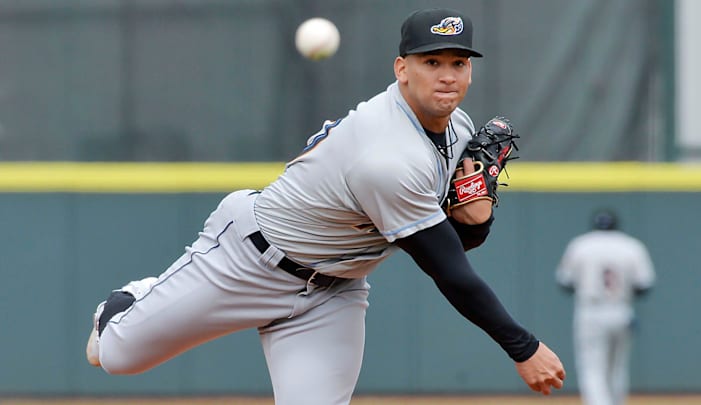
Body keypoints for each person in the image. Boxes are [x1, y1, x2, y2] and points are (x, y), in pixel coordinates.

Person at [85, 8, 565, 404]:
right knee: (117, 356)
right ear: (402, 69)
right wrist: (522, 347)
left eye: (458, 63)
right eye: (431, 62)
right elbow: (447, 267)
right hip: (249, 259)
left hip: (333, 292)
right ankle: (131, 299)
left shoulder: (457, 128)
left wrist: (478, 213)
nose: (446, 76)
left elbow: (457, 238)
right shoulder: (387, 156)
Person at [556, 209, 656, 405]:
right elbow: (644, 285)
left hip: (591, 310)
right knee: (617, 367)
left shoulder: (581, 245)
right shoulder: (632, 246)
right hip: (621, 310)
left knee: (592, 367)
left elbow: (564, 282)